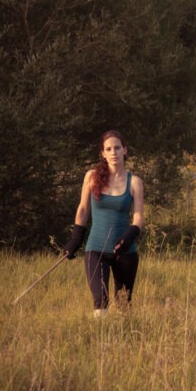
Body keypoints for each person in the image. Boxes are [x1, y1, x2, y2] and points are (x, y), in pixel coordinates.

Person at [62, 130, 145, 316]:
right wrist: (75, 240)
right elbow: (83, 209)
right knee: (100, 299)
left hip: (125, 252)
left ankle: (124, 341)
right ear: (103, 153)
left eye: (117, 148)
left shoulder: (135, 182)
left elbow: (139, 217)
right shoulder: (91, 177)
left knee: (124, 302)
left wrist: (129, 235)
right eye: (109, 149)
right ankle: (100, 339)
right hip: (96, 249)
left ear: (125, 150)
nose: (113, 152)